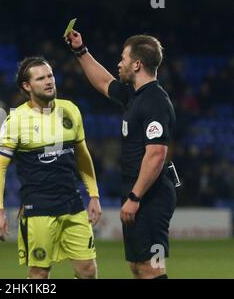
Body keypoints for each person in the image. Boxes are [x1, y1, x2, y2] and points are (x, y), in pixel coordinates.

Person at [65, 28, 177, 279]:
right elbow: (104, 82)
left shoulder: (155, 101)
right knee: (138, 267)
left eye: (123, 59)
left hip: (151, 196)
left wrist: (135, 197)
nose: (119, 64)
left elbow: (157, 154)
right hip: (141, 193)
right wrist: (80, 51)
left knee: (151, 268)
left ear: (137, 64)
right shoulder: (134, 96)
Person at [0, 57, 102, 279]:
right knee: (40, 273)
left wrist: (94, 195)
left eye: (50, 75)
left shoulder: (70, 110)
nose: (49, 81)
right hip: (38, 207)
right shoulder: (16, 120)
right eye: (40, 78)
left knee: (88, 271)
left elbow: (83, 156)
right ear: (27, 86)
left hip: (73, 203)